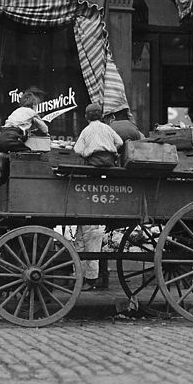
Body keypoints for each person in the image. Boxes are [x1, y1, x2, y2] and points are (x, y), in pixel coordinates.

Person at [73, 103, 123, 290]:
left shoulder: (87, 130)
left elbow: (77, 150)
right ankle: (86, 276)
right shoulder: (107, 128)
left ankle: (88, 278)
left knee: (89, 234)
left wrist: (89, 151)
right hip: (109, 163)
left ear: (87, 116)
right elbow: (119, 142)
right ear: (101, 116)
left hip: (93, 164)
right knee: (86, 235)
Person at [0, 88, 48, 204]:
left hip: (1, 142)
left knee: (2, 175)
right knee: (32, 157)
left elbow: (18, 124)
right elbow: (44, 129)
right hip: (12, 139)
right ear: (34, 104)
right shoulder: (31, 112)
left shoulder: (16, 112)